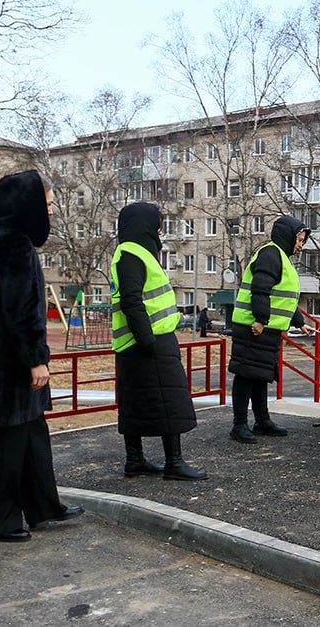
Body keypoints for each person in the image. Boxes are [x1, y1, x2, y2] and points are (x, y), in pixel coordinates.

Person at [0, 170, 83, 542]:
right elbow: (20, 309)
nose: (53, 211)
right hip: (8, 368)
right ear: (29, 206)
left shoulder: (0, 238)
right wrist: (35, 359)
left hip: (2, 364)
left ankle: (43, 506)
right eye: (48, 203)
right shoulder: (14, 244)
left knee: (32, 435)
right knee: (6, 444)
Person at [111, 202, 207, 481]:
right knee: (170, 401)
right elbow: (131, 300)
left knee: (135, 401)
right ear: (145, 225)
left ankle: (136, 460)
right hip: (148, 342)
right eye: (157, 224)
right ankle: (174, 463)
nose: (160, 230)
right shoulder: (132, 253)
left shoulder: (133, 251)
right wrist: (147, 341)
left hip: (139, 342)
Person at [228, 215, 317, 443]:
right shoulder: (271, 254)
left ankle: (262, 420)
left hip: (265, 329)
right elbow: (260, 289)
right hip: (254, 327)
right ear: (288, 236)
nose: (300, 244)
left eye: (303, 241)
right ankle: (239, 426)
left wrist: (300, 323)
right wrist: (260, 319)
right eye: (299, 239)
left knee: (259, 376)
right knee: (246, 375)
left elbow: (282, 299)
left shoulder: (280, 257)